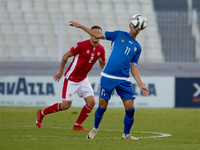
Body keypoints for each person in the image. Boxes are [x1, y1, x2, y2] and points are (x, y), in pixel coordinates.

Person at [69, 15, 149, 139]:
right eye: (134, 27)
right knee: (102, 106)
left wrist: (141, 85)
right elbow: (97, 35)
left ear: (141, 29)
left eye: (139, 28)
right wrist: (80, 26)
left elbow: (134, 67)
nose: (136, 29)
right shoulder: (118, 35)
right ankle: (95, 129)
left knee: (130, 108)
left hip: (124, 79)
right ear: (130, 26)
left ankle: (126, 134)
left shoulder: (137, 47)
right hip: (108, 76)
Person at [36, 25, 106, 131]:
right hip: (71, 79)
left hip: (83, 79)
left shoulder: (101, 49)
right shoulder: (81, 45)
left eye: (98, 34)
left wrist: (107, 74)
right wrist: (60, 71)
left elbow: (102, 64)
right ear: (90, 34)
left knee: (91, 102)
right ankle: (42, 113)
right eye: (94, 34)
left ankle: (77, 126)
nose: (96, 36)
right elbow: (65, 56)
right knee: (66, 105)